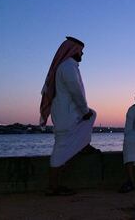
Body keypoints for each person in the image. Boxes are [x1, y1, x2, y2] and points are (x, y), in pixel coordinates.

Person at [40, 36, 99, 195]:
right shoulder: (68, 67)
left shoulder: (67, 66)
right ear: (73, 50)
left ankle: (82, 145)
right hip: (67, 115)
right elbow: (76, 92)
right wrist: (84, 111)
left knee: (92, 115)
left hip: (66, 113)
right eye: (81, 51)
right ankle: (52, 187)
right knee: (60, 152)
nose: (82, 54)